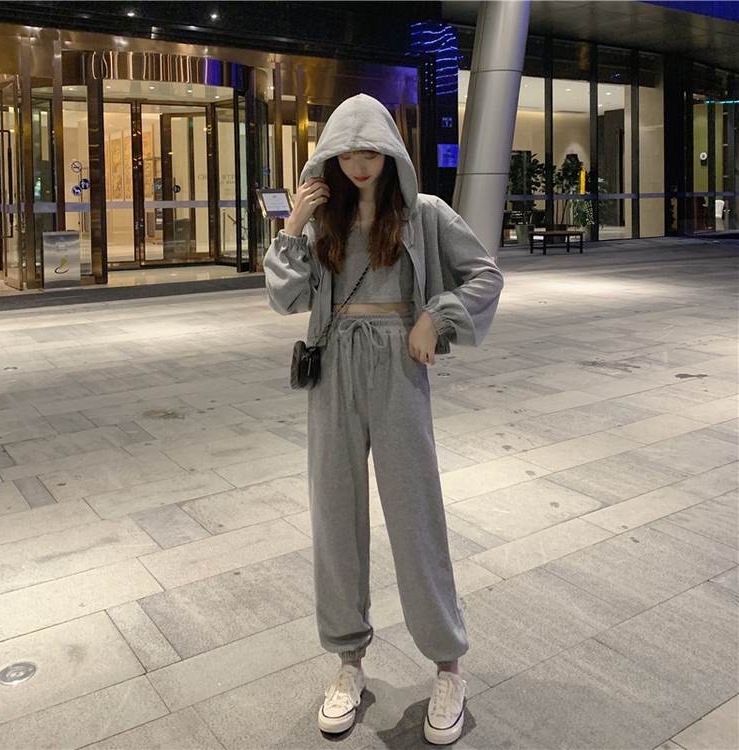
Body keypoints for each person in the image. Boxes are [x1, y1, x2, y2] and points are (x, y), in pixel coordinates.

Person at [263, 93, 504, 745]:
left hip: (398, 367)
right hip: (333, 370)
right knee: (334, 514)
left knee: (414, 512)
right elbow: (284, 297)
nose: (360, 164)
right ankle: (348, 663)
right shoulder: (324, 222)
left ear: (392, 153)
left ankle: (447, 666)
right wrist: (293, 224)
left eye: (371, 151)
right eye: (348, 154)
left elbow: (484, 276)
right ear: (330, 159)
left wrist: (435, 317)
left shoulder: (424, 215)